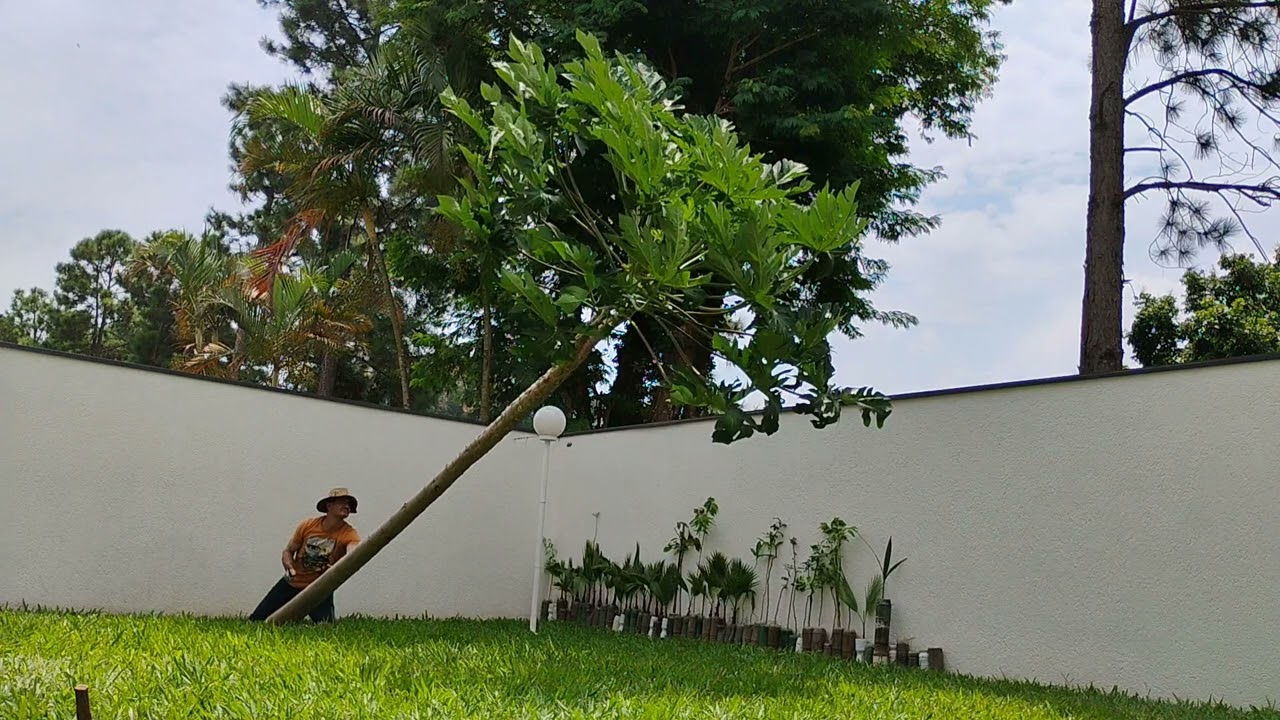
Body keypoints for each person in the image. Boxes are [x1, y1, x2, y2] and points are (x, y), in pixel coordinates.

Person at [249, 487, 361, 623]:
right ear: (329, 505)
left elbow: (353, 554)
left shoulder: (349, 534)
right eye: (342, 502)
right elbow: (288, 551)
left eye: (349, 503)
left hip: (320, 588)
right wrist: (290, 568)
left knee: (325, 627)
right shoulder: (308, 525)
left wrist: (339, 567)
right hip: (293, 583)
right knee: (256, 620)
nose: (347, 506)